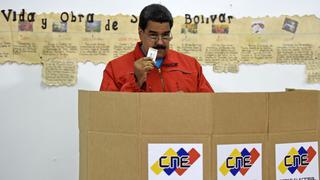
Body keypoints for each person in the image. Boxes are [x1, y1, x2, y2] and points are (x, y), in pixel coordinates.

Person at [100, 4, 214, 92]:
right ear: (140, 33)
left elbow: (210, 107)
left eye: (165, 35)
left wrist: (185, 103)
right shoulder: (114, 69)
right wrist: (135, 82)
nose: (160, 42)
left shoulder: (191, 66)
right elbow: (109, 112)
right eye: (153, 35)